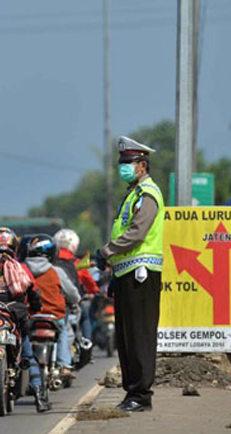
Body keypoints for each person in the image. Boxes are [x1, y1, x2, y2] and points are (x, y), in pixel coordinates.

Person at [96, 136, 164, 413]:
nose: (124, 167)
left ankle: (141, 395)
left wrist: (106, 252)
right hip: (127, 273)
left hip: (142, 274)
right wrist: (115, 276)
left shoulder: (149, 195)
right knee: (125, 338)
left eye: (129, 163)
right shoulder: (133, 194)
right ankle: (132, 393)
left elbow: (136, 234)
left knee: (139, 336)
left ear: (142, 166)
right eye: (121, 163)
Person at [22, 235, 80, 381]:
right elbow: (72, 293)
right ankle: (65, 366)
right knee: (63, 332)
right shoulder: (56, 271)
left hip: (30, 316)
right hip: (55, 316)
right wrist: (76, 300)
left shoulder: (22, 269)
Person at [54, 228, 99, 340]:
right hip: (72, 301)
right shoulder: (77, 263)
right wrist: (94, 291)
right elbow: (89, 281)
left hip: (53, 301)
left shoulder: (51, 262)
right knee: (85, 318)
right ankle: (87, 345)